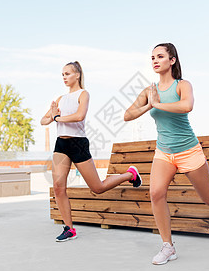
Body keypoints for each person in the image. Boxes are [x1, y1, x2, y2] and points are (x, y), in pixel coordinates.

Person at [124, 43, 209, 265]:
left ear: (172, 60)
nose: (155, 60)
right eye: (152, 57)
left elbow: (186, 106)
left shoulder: (182, 85)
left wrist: (157, 104)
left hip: (188, 150)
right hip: (164, 152)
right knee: (156, 194)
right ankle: (168, 246)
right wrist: (149, 105)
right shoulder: (149, 92)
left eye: (160, 56)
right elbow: (127, 115)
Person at [41, 61, 142, 242]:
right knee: (58, 187)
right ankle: (69, 229)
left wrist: (56, 116)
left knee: (97, 188)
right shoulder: (60, 99)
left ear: (77, 75)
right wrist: (52, 113)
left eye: (68, 74)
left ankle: (130, 175)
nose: (64, 77)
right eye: (62, 74)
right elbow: (44, 121)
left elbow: (79, 116)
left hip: (78, 143)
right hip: (61, 145)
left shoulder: (83, 94)